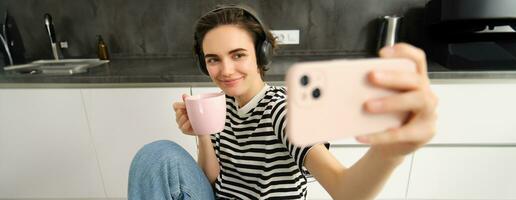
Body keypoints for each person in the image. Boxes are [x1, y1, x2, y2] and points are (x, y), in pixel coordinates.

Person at [128, 4, 438, 200]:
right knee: (157, 154)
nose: (225, 70)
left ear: (261, 55)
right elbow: (211, 180)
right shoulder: (222, 105)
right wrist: (203, 134)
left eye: (238, 55)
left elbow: (345, 190)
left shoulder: (283, 110)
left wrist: (391, 153)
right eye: (213, 59)